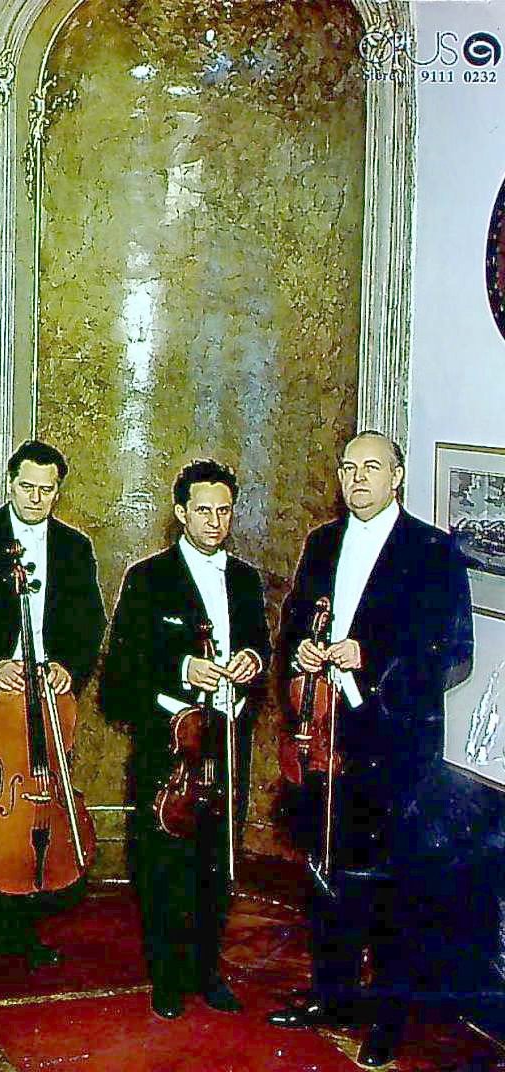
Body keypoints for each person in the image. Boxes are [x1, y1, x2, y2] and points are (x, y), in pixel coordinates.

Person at [266, 431, 475, 1068]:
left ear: (398, 476)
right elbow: (293, 624)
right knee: (327, 873)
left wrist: (371, 656)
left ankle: (387, 1019)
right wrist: (301, 650)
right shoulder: (322, 542)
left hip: (394, 746)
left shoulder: (433, 551)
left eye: (371, 467)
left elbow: (454, 654)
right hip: (324, 739)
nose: (357, 478)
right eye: (349, 467)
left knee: (390, 887)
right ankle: (330, 997)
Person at [100, 459, 269, 1020]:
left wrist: (251, 663)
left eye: (224, 511)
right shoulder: (148, 578)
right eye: (204, 511)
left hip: (226, 740)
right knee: (165, 861)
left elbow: (262, 652)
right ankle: (167, 978)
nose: (215, 522)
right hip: (169, 747)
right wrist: (182, 671)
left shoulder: (244, 579)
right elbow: (120, 676)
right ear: (180, 513)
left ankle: (208, 971)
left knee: (218, 858)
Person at [0, 439, 106, 972]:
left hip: (46, 694)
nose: (36, 498)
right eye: (27, 487)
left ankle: (28, 927)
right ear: (9, 484)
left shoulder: (74, 546)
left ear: (58, 491)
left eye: (47, 490)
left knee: (40, 805)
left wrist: (68, 667)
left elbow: (90, 621)